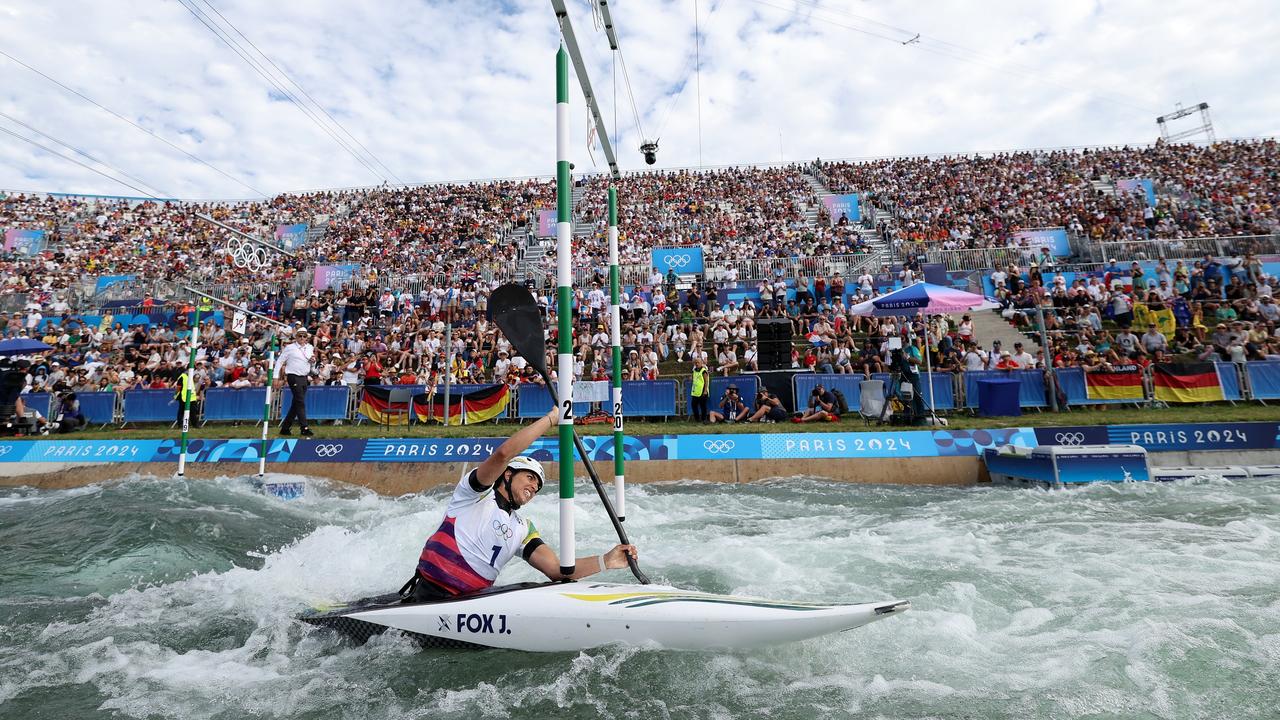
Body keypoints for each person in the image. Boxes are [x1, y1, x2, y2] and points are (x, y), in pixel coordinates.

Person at [403, 406, 638, 601]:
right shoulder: (474, 493)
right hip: (427, 595)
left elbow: (557, 570)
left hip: (467, 604)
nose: (534, 487)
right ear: (507, 475)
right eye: (530, 477)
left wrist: (606, 561)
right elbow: (503, 454)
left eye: (537, 486)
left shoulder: (523, 528)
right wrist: (550, 419)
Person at [275, 328, 315, 436]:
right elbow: (279, 361)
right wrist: (275, 377)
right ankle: (304, 427)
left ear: (307, 337)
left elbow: (311, 360)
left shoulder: (310, 347)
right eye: (300, 336)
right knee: (300, 401)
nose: (302, 338)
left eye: (304, 336)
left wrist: (313, 361)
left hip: (304, 376)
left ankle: (285, 428)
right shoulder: (290, 348)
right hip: (293, 376)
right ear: (296, 337)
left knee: (296, 403)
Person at [689, 357, 710, 421]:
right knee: (694, 406)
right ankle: (697, 419)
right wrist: (691, 378)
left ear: (701, 363)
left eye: (698, 362)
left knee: (703, 406)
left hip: (702, 391)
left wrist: (705, 390)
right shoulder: (694, 370)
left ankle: (704, 419)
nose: (697, 364)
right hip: (695, 392)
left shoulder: (704, 371)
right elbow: (694, 379)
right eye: (696, 362)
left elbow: (706, 381)